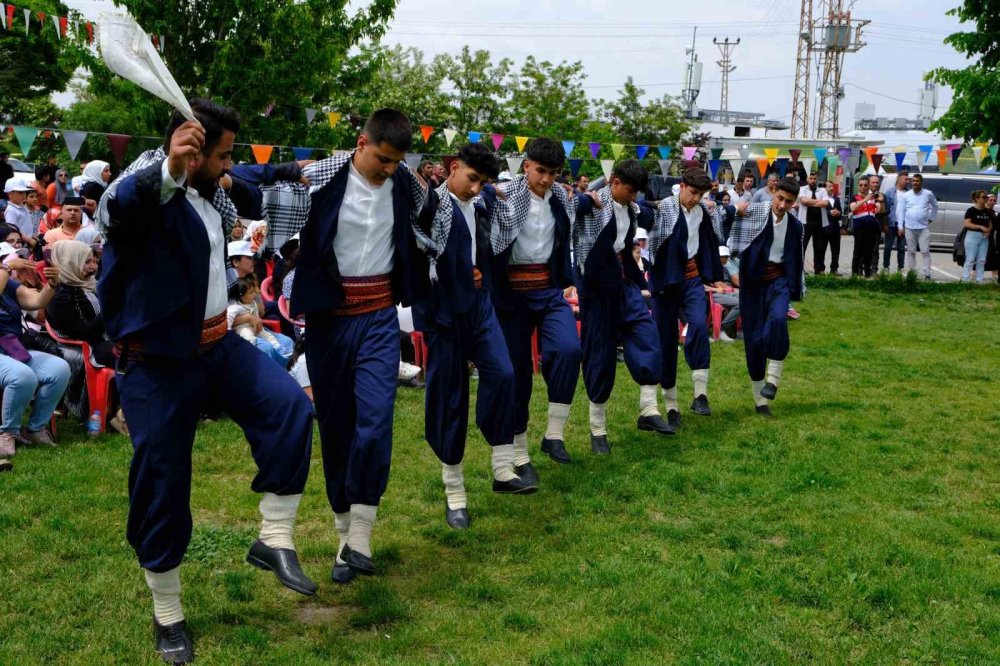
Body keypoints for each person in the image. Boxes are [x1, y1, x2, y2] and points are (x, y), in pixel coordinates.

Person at [99, 98, 316, 663]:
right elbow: (116, 209)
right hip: (156, 362)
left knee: (289, 408)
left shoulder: (213, 190)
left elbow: (249, 175)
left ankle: (273, 538)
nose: (227, 167)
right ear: (189, 151)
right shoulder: (143, 183)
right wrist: (169, 167)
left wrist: (290, 170)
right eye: (219, 155)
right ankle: (168, 613)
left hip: (218, 345)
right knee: (164, 480)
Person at [292, 108, 428, 584]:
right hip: (329, 320)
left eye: (397, 162)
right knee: (336, 426)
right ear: (361, 142)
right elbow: (259, 182)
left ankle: (363, 532)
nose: (388, 169)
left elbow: (443, 211)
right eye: (383, 159)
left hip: (378, 319)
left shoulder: (408, 186)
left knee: (374, 420)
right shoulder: (320, 182)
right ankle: (344, 535)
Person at [412, 142, 523, 531]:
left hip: (479, 304)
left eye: (484, 181)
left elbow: (503, 235)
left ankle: (502, 466)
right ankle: (454, 492)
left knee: (504, 372)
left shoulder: (483, 204)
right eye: (472, 179)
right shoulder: (432, 205)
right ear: (453, 167)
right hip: (443, 312)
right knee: (450, 398)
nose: (477, 188)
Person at [489, 137, 582, 471]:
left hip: (547, 289)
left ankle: (554, 434)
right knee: (518, 374)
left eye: (553, 173)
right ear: (526, 165)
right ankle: (518, 452)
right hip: (511, 293)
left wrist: (568, 278)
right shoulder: (505, 193)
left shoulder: (561, 196)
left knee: (570, 349)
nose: (545, 178)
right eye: (540, 170)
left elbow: (566, 237)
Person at [573, 159, 668, 452]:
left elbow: (648, 217)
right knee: (599, 356)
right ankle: (598, 430)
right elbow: (565, 203)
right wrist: (579, 196)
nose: (633, 196)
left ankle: (648, 410)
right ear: (613, 182)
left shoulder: (631, 208)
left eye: (637, 192)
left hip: (623, 285)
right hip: (596, 290)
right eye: (629, 190)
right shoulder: (590, 205)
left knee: (647, 333)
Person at [646, 168, 724, 427]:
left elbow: (716, 233)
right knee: (666, 343)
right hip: (665, 282)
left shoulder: (702, 211)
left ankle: (700, 394)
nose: (695, 198)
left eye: (701, 195)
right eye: (693, 193)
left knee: (700, 326)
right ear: (682, 186)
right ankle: (671, 406)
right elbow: (641, 212)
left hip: (691, 277)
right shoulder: (663, 208)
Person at [727, 177, 804, 416]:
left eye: (789, 202)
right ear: (773, 192)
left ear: (794, 203)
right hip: (752, 284)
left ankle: (773, 379)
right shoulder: (752, 212)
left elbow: (797, 258)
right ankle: (760, 401)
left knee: (779, 320)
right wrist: (731, 210)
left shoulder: (796, 226)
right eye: (780, 198)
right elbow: (726, 234)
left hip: (778, 280)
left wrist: (797, 286)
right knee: (755, 340)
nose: (782, 205)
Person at [0, 252, 70, 457]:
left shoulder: (10, 286)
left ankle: (35, 429)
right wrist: (7, 267)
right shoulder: (5, 273)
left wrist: (53, 284)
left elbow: (37, 301)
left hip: (12, 349)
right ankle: (7, 432)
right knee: (22, 376)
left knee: (59, 369)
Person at [227, 274, 293, 364]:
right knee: (249, 336)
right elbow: (228, 319)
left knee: (278, 338)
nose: (254, 294)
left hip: (256, 326)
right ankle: (252, 348)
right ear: (241, 296)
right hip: (242, 328)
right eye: (251, 293)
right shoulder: (235, 307)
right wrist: (229, 332)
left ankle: (278, 348)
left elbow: (259, 315)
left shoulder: (252, 302)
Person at [896, 173, 938, 279]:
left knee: (925, 250)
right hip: (909, 228)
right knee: (911, 251)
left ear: (921, 182)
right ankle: (912, 273)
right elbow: (900, 211)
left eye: (917, 181)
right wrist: (900, 226)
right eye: (913, 181)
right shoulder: (906, 195)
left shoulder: (928, 194)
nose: (915, 183)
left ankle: (927, 273)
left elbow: (935, 205)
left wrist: (932, 218)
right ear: (911, 182)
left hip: (923, 228)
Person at [797, 173, 832, 274]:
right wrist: (818, 202)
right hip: (805, 223)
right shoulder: (802, 189)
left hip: (820, 223)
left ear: (817, 180)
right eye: (811, 178)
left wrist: (810, 202)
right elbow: (804, 201)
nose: (812, 180)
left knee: (819, 248)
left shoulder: (822, 190)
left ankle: (818, 270)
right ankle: (800, 270)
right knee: (802, 247)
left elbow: (825, 203)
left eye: (814, 178)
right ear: (807, 179)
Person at [849, 176, 882, 277]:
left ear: (868, 186)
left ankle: (867, 274)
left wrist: (878, 200)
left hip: (871, 227)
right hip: (859, 227)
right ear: (858, 186)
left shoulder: (872, 197)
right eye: (861, 185)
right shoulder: (854, 197)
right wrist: (864, 200)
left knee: (869, 251)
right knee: (858, 250)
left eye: (865, 185)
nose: (863, 187)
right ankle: (855, 274)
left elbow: (878, 209)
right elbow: (853, 208)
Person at [962, 190, 994, 284]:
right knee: (970, 259)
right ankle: (965, 280)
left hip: (984, 237)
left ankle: (979, 280)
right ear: (977, 199)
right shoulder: (971, 210)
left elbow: (990, 224)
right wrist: (980, 227)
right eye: (983, 197)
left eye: (986, 197)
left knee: (982, 260)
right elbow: (967, 224)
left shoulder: (986, 211)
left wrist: (988, 230)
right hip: (972, 235)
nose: (985, 199)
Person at [711, 245, 740, 342]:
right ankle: (722, 329)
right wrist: (732, 290)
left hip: (726, 292)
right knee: (740, 303)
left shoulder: (725, 268)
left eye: (726, 257)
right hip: (715, 293)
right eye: (722, 257)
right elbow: (717, 284)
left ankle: (740, 330)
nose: (724, 259)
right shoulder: (713, 268)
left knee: (746, 298)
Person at [882, 173, 909, 273]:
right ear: (899, 179)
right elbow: (885, 209)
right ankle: (886, 266)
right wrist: (885, 224)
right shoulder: (889, 193)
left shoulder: (908, 193)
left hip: (903, 224)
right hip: (891, 223)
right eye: (906, 179)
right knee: (888, 246)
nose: (908, 181)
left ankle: (900, 267)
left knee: (901, 247)